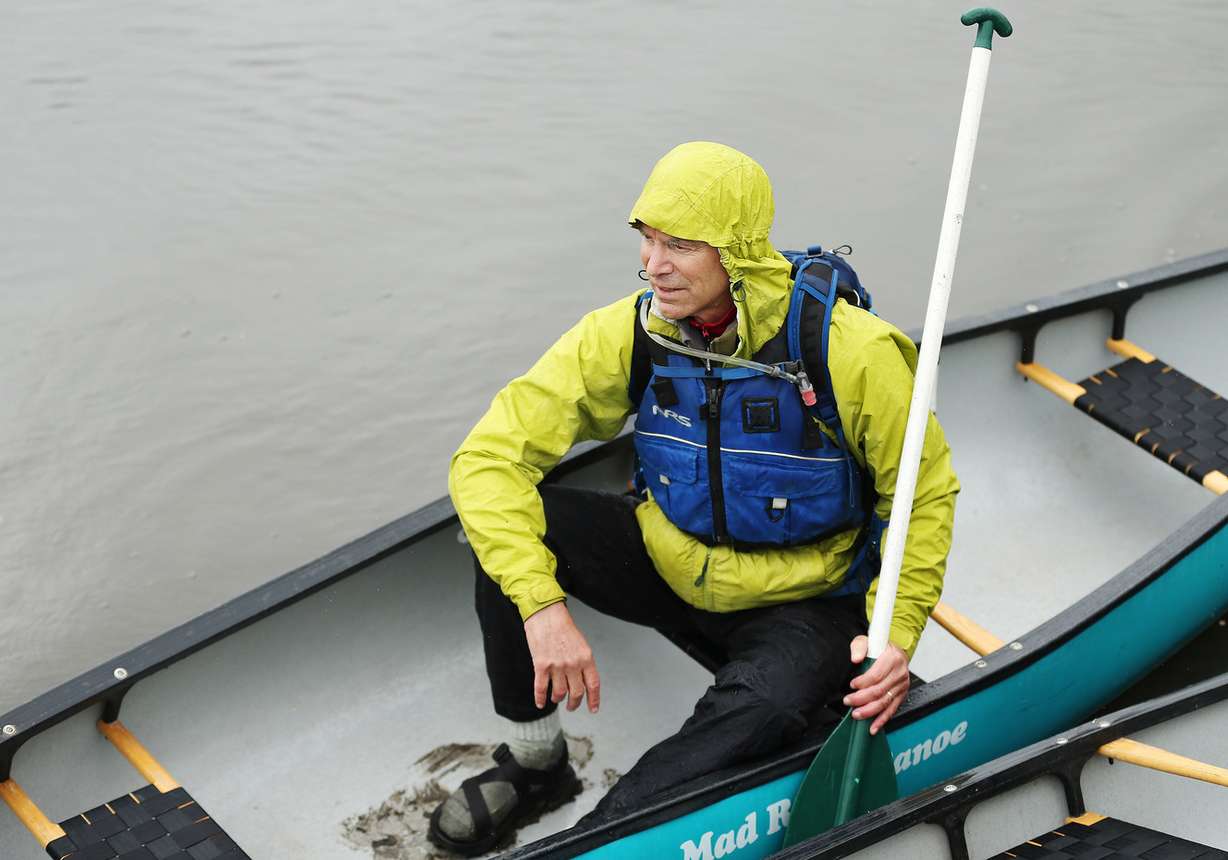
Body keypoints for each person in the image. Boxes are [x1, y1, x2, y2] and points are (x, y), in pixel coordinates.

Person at [428, 141, 959, 856]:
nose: (654, 263)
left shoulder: (852, 352)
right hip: (669, 557)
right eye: (647, 238)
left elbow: (921, 496)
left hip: (806, 599)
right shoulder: (633, 331)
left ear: (735, 253)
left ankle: (593, 842)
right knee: (508, 529)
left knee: (764, 706)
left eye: (680, 244)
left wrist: (897, 636)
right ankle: (535, 767)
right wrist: (541, 605)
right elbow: (487, 459)